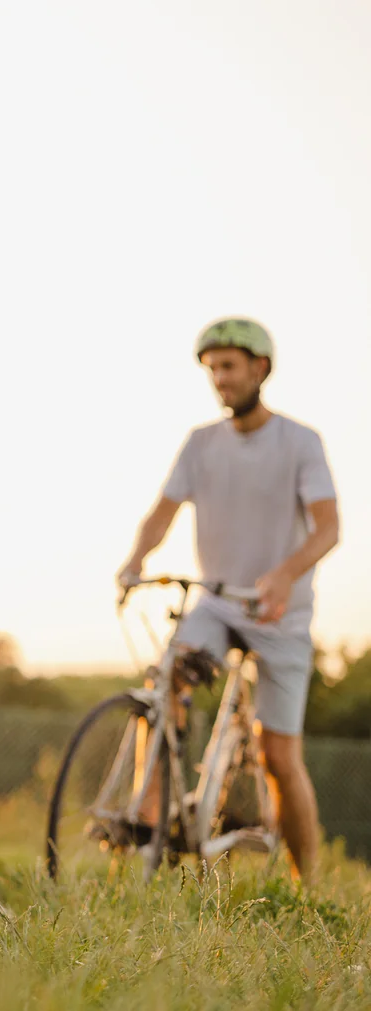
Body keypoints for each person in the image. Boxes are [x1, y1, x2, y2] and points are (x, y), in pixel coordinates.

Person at [118, 318, 339, 881]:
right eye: (213, 368)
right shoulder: (200, 443)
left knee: (279, 758)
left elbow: (327, 528)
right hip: (216, 605)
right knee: (167, 681)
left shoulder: (300, 442)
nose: (220, 378)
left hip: (279, 615)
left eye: (230, 367)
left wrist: (285, 576)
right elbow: (163, 512)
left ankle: (306, 883)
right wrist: (135, 560)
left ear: (260, 369)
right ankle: (148, 812)